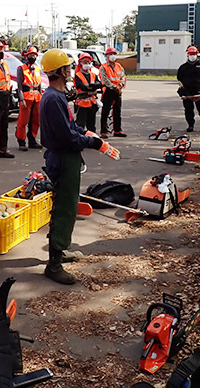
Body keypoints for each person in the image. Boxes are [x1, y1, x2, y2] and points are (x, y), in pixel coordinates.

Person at [39, 49, 120, 285]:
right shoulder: (53, 98)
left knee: (69, 204)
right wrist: (94, 142)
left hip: (66, 157)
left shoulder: (57, 96)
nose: (70, 71)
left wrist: (86, 132)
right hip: (63, 157)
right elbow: (66, 137)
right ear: (60, 71)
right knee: (64, 208)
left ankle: (61, 250)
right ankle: (54, 264)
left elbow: (71, 127)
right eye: (67, 68)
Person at [15, 45, 43, 151]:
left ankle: (32, 140)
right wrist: (21, 99)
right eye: (31, 55)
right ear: (27, 56)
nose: (33, 57)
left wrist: (41, 96)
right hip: (26, 97)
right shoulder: (21, 69)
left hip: (36, 97)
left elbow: (39, 84)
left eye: (35, 55)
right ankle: (21, 140)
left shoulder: (36, 68)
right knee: (23, 121)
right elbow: (19, 86)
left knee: (36, 120)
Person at [176, 45, 200, 133]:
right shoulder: (183, 67)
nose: (192, 56)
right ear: (187, 55)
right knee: (188, 110)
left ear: (197, 54)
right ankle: (190, 125)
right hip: (187, 92)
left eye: (194, 54)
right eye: (190, 54)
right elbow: (179, 79)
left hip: (198, 91)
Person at [99, 47, 127, 138]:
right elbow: (105, 79)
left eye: (114, 54)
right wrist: (114, 87)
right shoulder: (103, 67)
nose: (112, 56)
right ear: (107, 56)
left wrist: (120, 85)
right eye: (110, 54)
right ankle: (104, 131)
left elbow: (123, 77)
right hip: (108, 90)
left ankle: (117, 130)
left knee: (117, 111)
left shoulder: (119, 66)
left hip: (118, 91)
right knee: (105, 111)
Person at [73, 52, 101, 132]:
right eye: (85, 62)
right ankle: (79, 140)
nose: (87, 64)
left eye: (88, 62)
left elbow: (99, 84)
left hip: (92, 103)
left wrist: (91, 86)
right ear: (80, 63)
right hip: (82, 103)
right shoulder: (78, 75)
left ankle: (92, 140)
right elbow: (80, 86)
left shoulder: (93, 74)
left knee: (91, 125)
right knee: (80, 124)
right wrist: (92, 86)